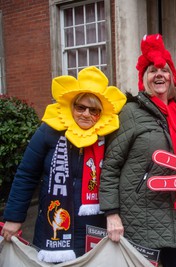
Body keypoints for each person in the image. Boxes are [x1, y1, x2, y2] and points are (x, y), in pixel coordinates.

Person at [0, 66, 127, 263]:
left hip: (95, 229)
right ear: (72, 107)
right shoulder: (48, 131)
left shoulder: (109, 136)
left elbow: (118, 176)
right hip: (52, 227)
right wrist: (14, 217)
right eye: (80, 107)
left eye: (93, 110)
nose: (86, 114)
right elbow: (26, 174)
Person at [99, 34, 176, 267]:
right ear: (144, 79)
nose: (159, 75)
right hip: (140, 217)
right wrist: (111, 214)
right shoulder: (130, 113)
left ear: (172, 78)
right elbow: (111, 166)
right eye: (152, 71)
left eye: (164, 70)